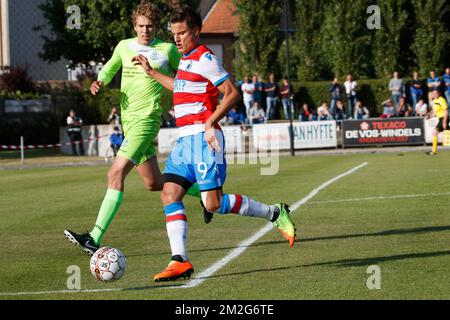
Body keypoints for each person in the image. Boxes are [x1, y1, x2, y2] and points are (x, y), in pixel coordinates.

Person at [132, 5, 296, 282]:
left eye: (182, 32)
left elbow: (232, 94)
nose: (177, 38)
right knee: (169, 194)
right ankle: (179, 260)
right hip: (184, 140)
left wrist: (210, 122)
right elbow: (180, 87)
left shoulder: (206, 58)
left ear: (196, 31)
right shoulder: (185, 59)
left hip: (204, 139)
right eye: (174, 33)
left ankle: (275, 212)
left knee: (213, 204)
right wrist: (152, 73)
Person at [64, 1, 204, 256]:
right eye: (141, 26)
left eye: (150, 26)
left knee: (114, 173)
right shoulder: (124, 46)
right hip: (129, 123)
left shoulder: (167, 50)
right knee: (154, 182)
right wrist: (100, 81)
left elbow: (186, 74)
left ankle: (93, 237)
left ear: (156, 27)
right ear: (134, 25)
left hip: (147, 120)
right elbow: (109, 67)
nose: (145, 31)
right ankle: (204, 196)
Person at [427, 88, 448, 156]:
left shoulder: (442, 100)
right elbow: (436, 112)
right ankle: (434, 151)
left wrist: (444, 121)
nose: (435, 94)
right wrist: (430, 116)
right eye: (433, 93)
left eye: (436, 93)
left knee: (435, 132)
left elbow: (446, 112)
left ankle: (433, 151)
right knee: (436, 133)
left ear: (439, 93)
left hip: (444, 118)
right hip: (440, 119)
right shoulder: (435, 100)